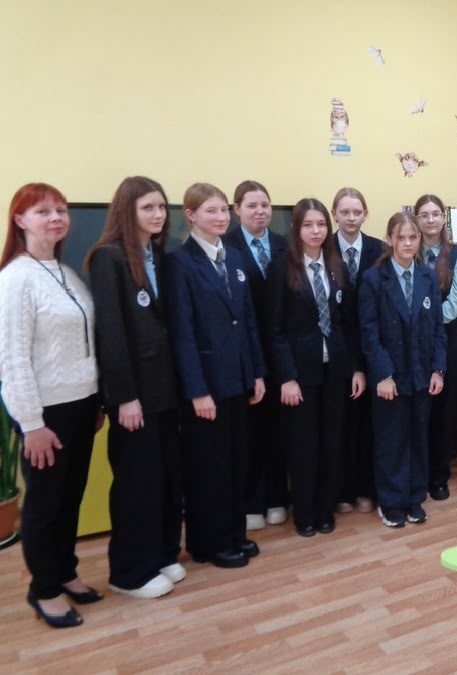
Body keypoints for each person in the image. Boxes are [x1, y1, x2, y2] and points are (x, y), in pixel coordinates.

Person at [0, 183, 101, 627]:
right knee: (45, 504)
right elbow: (12, 360)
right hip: (44, 413)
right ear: (20, 220)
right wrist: (31, 423)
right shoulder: (16, 278)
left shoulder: (65, 272)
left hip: (80, 405)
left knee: (70, 497)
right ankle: (44, 589)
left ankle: (65, 571)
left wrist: (95, 401)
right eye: (43, 211)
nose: (56, 218)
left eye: (61, 210)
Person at [86, 176, 183, 599]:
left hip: (166, 391)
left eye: (161, 207)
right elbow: (110, 333)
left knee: (166, 477)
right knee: (136, 483)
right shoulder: (107, 258)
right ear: (127, 211)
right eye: (148, 208)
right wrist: (124, 396)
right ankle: (129, 572)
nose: (158, 215)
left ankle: (162, 553)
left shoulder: (158, 255)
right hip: (134, 396)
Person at [165, 183, 266, 569]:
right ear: (191, 215)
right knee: (210, 467)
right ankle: (208, 542)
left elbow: (249, 321)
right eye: (211, 211)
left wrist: (256, 373)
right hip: (207, 386)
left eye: (224, 210)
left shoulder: (235, 257)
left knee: (237, 461)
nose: (221, 217)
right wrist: (197, 390)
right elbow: (183, 333)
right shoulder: (180, 263)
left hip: (238, 378)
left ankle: (233, 533)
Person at [266, 198, 365, 538]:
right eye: (308, 225)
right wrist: (287, 377)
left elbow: (347, 324)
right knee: (303, 446)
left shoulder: (335, 266)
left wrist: (356, 368)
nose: (315, 231)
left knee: (331, 444)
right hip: (300, 376)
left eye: (321, 224)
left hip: (335, 371)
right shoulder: (281, 268)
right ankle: (305, 513)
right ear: (296, 228)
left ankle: (325, 510)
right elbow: (275, 330)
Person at [359, 212, 447, 528]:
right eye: (401, 238)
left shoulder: (427, 277)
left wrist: (438, 369)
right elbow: (368, 333)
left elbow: (438, 329)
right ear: (390, 240)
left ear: (419, 240)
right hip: (390, 377)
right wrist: (383, 375)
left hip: (421, 374)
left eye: (413, 238)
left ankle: (414, 498)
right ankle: (392, 501)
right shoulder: (374, 279)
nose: (408, 243)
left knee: (418, 438)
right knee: (392, 440)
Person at [223, 180, 289, 532]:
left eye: (265, 205)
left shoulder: (284, 245)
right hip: (244, 355)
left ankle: (277, 497)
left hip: (283, 353)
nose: (260, 211)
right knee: (249, 433)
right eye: (251, 205)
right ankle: (251, 502)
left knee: (278, 430)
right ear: (237, 210)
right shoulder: (226, 246)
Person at [331, 187, 383, 515]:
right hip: (336, 351)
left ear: (365, 214)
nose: (351, 218)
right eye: (345, 212)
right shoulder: (322, 247)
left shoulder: (380, 250)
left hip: (372, 349)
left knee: (369, 425)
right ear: (334, 214)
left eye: (357, 212)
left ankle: (367, 488)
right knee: (340, 425)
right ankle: (342, 491)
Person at [415, 194, 457, 501]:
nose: (430, 219)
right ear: (417, 220)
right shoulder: (409, 249)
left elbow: (456, 303)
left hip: (448, 341)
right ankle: (418, 473)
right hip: (414, 343)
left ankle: (439, 476)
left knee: (444, 411)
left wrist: (427, 323)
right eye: (424, 215)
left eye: (435, 214)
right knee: (419, 410)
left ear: (444, 218)